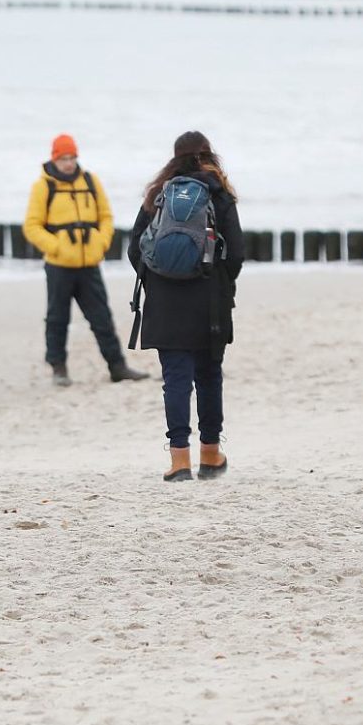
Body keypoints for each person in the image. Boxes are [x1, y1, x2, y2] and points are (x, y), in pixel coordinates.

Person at [128, 131, 244, 482]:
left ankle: (179, 461)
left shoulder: (157, 195)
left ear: (174, 158)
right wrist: (220, 284)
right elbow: (236, 253)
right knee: (209, 377)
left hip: (164, 303)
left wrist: (159, 281)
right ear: (210, 156)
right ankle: (210, 455)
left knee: (175, 380)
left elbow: (135, 248)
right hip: (209, 301)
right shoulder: (219, 194)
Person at [23, 133, 149, 387]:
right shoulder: (43, 186)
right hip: (59, 266)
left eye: (72, 158)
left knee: (101, 317)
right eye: (63, 158)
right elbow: (32, 226)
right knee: (58, 319)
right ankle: (59, 369)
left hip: (89, 265)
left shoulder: (91, 181)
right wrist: (55, 247)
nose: (68, 163)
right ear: (54, 159)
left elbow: (106, 217)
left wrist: (101, 243)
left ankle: (117, 366)